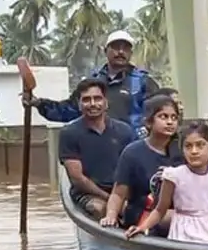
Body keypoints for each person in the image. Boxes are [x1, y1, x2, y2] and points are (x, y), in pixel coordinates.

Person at [127, 122, 208, 246]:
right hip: (186, 226)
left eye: (200, 145)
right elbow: (160, 210)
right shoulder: (174, 175)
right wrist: (142, 227)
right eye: (188, 146)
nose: (194, 151)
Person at [25, 30, 160, 134]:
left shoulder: (144, 82)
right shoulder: (92, 82)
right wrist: (39, 103)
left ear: (131, 53)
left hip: (132, 151)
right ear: (105, 51)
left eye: (125, 48)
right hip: (97, 146)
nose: (120, 52)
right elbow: (69, 110)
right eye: (115, 47)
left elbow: (158, 115)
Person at [57, 78, 137, 218]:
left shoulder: (124, 130)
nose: (93, 104)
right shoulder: (69, 133)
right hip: (90, 194)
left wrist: (123, 197)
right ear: (79, 104)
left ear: (106, 102)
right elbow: (77, 178)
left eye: (97, 99)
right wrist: (110, 198)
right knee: (99, 209)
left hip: (121, 191)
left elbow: (134, 169)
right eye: (87, 100)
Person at [100, 94, 182, 229]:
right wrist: (111, 215)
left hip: (180, 211)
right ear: (148, 122)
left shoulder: (182, 150)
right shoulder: (132, 153)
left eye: (174, 118)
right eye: (163, 117)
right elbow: (118, 193)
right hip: (144, 214)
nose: (170, 122)